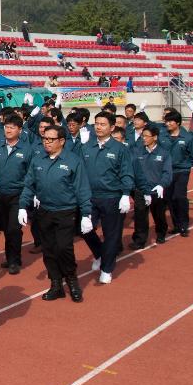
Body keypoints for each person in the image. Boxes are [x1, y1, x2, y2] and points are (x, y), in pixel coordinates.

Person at [19, 125, 93, 302]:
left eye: (51, 139)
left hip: (65, 211)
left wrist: (86, 213)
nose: (47, 142)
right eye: (45, 139)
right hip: (44, 211)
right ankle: (56, 284)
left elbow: (82, 188)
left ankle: (72, 280)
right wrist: (23, 205)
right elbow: (30, 184)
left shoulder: (73, 160)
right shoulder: (38, 160)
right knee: (49, 249)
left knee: (63, 248)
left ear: (62, 141)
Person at [78, 110, 135, 285]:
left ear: (112, 127)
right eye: (97, 124)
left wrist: (126, 194)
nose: (99, 127)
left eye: (103, 124)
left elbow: (126, 173)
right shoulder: (87, 147)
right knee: (84, 230)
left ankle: (107, 268)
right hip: (90, 197)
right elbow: (79, 172)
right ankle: (100, 254)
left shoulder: (120, 149)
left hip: (112, 197)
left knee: (111, 235)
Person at [0, 113, 36, 275]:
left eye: (12, 127)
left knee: (14, 229)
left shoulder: (27, 150)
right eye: (6, 127)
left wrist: (31, 193)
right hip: (1, 194)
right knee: (6, 228)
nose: (8, 130)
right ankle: (10, 256)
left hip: (18, 195)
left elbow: (31, 174)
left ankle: (15, 260)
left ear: (20, 130)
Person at [129, 124, 173, 248]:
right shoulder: (137, 151)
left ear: (155, 137)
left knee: (158, 214)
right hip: (141, 190)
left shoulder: (164, 153)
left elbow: (167, 172)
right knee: (140, 216)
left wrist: (162, 185)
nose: (144, 138)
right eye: (143, 136)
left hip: (156, 191)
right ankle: (139, 240)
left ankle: (161, 233)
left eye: (146, 136)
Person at [162, 111, 193, 237]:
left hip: (182, 171)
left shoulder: (188, 137)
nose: (167, 124)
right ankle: (176, 225)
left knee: (179, 197)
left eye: (170, 121)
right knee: (169, 199)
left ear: (177, 122)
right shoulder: (163, 136)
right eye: (166, 121)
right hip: (167, 172)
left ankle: (184, 225)